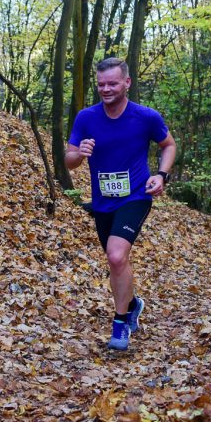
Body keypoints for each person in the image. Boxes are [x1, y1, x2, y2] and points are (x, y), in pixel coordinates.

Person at [65, 57, 176, 351]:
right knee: (117, 261)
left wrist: (161, 175)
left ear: (127, 82)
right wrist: (79, 154)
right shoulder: (86, 118)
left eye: (112, 83)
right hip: (103, 202)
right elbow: (69, 161)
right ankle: (133, 303)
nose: (106, 89)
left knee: (116, 257)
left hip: (136, 196)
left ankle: (121, 322)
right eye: (101, 84)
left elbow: (169, 145)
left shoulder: (146, 117)